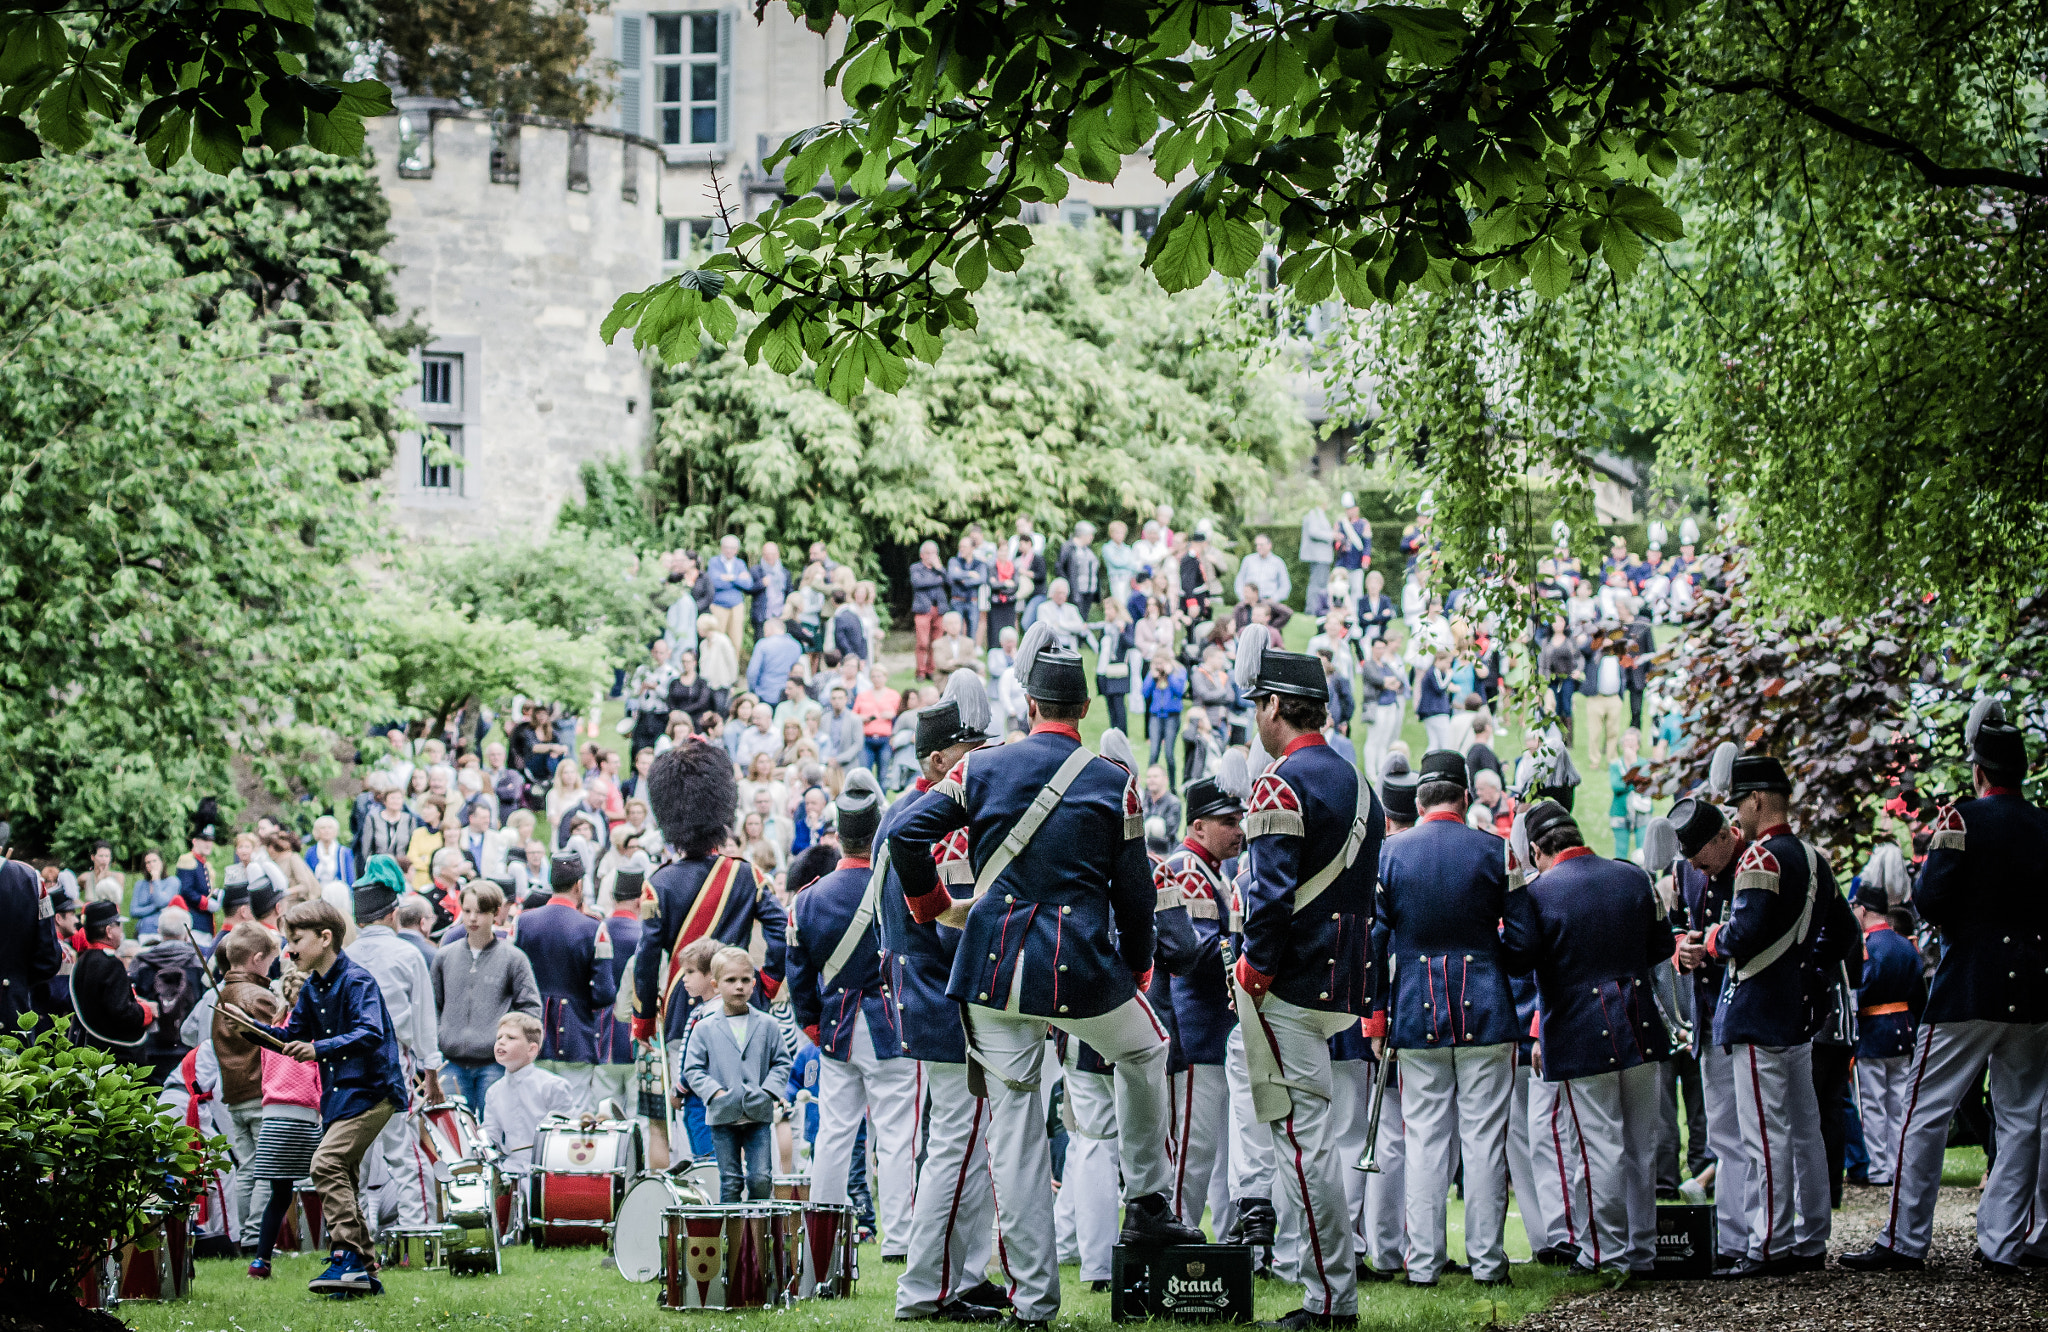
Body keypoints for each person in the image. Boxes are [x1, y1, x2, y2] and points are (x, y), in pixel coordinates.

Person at [888, 623, 1203, 1328]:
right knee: (1146, 1050)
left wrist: (934, 905)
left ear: (1028, 703)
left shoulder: (981, 767)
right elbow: (1135, 894)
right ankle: (1149, 1201)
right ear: (1085, 708)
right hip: (1083, 965)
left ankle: (1033, 1304)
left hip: (994, 968)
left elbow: (911, 833)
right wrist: (1141, 963)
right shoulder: (1112, 781)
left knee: (1016, 1139)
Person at [1845, 702, 2048, 1274]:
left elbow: (1930, 898)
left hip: (1968, 985)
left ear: (1980, 773)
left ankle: (1904, 1239)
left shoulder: (1962, 820)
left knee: (1921, 1111)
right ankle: (2003, 1243)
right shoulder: (2044, 825)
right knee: (2021, 1117)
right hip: (2033, 989)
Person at [1224, 626, 1383, 1327]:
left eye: (1260, 702)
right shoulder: (1358, 783)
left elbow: (1270, 896)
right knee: (1314, 1141)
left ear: (1280, 705)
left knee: (1302, 1144)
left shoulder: (1280, 784)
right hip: (1341, 978)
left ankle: (1328, 1299)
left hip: (1287, 982)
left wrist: (1253, 972)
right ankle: (1326, 1286)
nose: (1255, 715)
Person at [1679, 752, 1852, 1277]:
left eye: (1739, 802)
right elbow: (1843, 934)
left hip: (1756, 1010)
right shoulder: (1814, 857)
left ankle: (1770, 1244)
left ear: (1756, 800)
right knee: (1804, 1130)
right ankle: (1810, 1235)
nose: (1737, 812)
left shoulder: (1760, 859)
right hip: (1795, 1011)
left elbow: (1742, 935)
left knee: (1763, 1135)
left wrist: (1708, 941)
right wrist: (1809, 976)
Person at [875, 674, 1009, 1320]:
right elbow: (954, 921)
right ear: (938, 760)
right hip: (946, 994)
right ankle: (926, 1286)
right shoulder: (941, 824)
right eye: (970, 746)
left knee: (962, 1143)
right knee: (956, 1148)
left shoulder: (905, 812)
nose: (983, 754)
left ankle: (960, 1275)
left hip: (926, 992)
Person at [1377, 748, 1535, 1289]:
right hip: (1487, 1006)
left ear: (1419, 800)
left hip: (1415, 1009)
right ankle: (1489, 1264)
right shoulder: (1499, 851)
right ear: (1466, 798)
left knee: (1423, 1139)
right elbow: (1523, 940)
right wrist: (1496, 960)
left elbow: (1376, 943)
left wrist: (1377, 1017)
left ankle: (1422, 1264)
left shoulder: (1390, 855)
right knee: (1486, 1140)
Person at [1506, 801, 1670, 1275]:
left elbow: (1519, 960)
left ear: (1538, 849)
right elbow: (1662, 946)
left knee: (1598, 1145)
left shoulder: (1539, 894)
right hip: (1639, 1022)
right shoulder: (1632, 876)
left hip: (1580, 1030)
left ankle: (1607, 1251)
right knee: (1642, 1143)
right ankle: (1642, 1249)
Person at [229, 898, 410, 1297]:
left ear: (325, 938)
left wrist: (320, 1049)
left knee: (325, 1163)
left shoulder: (357, 981)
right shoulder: (312, 988)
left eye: (296, 940)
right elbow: (292, 1036)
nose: (289, 951)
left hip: (373, 1091)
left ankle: (345, 1254)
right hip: (339, 1096)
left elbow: (371, 1033)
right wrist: (253, 1030)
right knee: (342, 1174)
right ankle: (363, 1270)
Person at [786, 770, 919, 1257]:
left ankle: (822, 1240)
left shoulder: (807, 898)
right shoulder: (895, 887)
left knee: (835, 1134)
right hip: (891, 1020)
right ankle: (898, 1240)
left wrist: (815, 1025)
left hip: (836, 1025)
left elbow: (798, 974)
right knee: (897, 1136)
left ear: (839, 834)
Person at [631, 741, 789, 1086]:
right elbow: (782, 932)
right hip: (740, 1001)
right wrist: (765, 985)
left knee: (694, 1118)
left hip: (680, 1008)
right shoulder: (746, 875)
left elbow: (646, 959)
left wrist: (643, 1018)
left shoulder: (660, 884)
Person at [343, 855, 444, 1233]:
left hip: (350, 1066)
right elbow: (422, 1024)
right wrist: (431, 1074)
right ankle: (416, 1231)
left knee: (358, 1159)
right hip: (391, 1063)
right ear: (392, 913)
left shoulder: (346, 959)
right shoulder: (407, 955)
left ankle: (362, 1235)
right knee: (404, 1155)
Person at [1161, 773, 1243, 1230]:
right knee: (1193, 1147)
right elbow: (1202, 952)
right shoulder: (1188, 870)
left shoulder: (1213, 869)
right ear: (1197, 826)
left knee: (1217, 1146)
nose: (1239, 829)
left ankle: (1228, 1237)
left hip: (1214, 1026)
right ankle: (1178, 1233)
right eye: (1227, 821)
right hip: (1196, 1027)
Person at [682, 947, 792, 1202]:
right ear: (716, 985)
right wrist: (715, 1092)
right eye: (730, 980)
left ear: (754, 984)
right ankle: (732, 1240)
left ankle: (757, 1239)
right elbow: (693, 1068)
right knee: (730, 1182)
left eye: (745, 980)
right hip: (722, 1116)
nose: (738, 986)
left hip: (758, 1114)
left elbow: (782, 1062)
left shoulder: (768, 1024)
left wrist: (768, 1091)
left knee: (761, 1179)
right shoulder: (705, 1027)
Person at [516, 852, 619, 1109]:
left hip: (529, 1031)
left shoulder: (522, 922)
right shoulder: (593, 927)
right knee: (574, 1114)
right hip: (576, 1034)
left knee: (532, 1112)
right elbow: (605, 992)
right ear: (579, 885)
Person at [433, 880, 542, 1110]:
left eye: (481, 912)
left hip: (495, 1064)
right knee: (456, 1135)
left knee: (492, 1134)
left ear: (495, 913)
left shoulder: (514, 959)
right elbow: (433, 1006)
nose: (473, 918)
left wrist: (512, 1044)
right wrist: (436, 1041)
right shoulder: (444, 957)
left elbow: (530, 1008)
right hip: (450, 1062)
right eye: (468, 911)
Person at [245, 975, 323, 1281]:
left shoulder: (274, 1032)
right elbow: (318, 1075)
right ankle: (350, 1249)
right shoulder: (313, 1035)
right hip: (304, 1117)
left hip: (273, 1117)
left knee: (278, 1194)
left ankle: (260, 1260)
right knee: (331, 1184)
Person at [1848, 879, 1924, 1189]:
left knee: (1873, 1105)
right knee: (1898, 1105)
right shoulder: (1905, 944)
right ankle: (1898, 1166)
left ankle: (1878, 1168)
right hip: (1902, 1032)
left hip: (1872, 1034)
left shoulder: (1865, 947)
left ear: (1863, 910)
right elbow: (1917, 987)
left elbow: (1860, 992)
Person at [481, 1011, 577, 1170]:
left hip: (548, 1170)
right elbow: (492, 1135)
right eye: (499, 1038)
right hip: (509, 1170)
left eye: (511, 1038)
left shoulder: (553, 1085)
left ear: (532, 1049)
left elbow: (566, 1135)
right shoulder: (493, 1091)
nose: (501, 1042)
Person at [1143, 651, 1187, 787]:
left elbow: (1180, 691)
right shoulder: (1152, 674)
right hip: (1155, 716)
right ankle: (1149, 786)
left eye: (1161, 664)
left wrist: (1169, 675)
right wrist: (1152, 677)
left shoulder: (1179, 671)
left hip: (1172, 717)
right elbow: (1144, 692)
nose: (1159, 667)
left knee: (1169, 753)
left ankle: (1173, 787)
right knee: (1154, 752)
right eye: (1156, 664)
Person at [909, 540, 950, 680]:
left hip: (939, 610)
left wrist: (940, 569)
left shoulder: (939, 569)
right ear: (922, 555)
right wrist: (938, 580)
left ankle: (931, 670)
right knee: (923, 643)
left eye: (934, 553)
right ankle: (920, 671)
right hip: (923, 610)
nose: (931, 556)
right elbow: (918, 583)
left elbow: (950, 582)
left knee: (936, 642)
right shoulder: (915, 568)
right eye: (928, 553)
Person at [706, 534, 755, 647]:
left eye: (732, 548)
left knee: (736, 641)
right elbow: (714, 582)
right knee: (717, 639)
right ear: (722, 548)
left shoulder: (740, 563)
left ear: (736, 550)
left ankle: (733, 665)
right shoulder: (714, 562)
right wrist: (737, 579)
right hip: (719, 605)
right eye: (726, 547)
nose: (729, 550)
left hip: (737, 606)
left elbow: (748, 584)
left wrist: (730, 577)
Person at [1609, 729, 1651, 861]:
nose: (1629, 744)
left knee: (1642, 853)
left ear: (1638, 745)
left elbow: (1644, 784)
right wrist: (1633, 780)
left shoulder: (1644, 763)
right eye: (1626, 741)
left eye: (1632, 741)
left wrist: (1633, 764)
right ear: (1622, 745)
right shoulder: (1615, 765)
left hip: (1642, 811)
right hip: (1619, 812)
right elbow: (1616, 786)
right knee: (1620, 854)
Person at [745, 617, 803, 706]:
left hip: (765, 693)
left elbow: (752, 671)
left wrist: (752, 690)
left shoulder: (763, 644)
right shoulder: (796, 646)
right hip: (788, 694)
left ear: (769, 629)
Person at [1055, 521, 1102, 622]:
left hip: (1088, 590)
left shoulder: (1087, 550)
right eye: (1090, 535)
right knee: (1075, 618)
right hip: (1075, 590)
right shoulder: (1068, 547)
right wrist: (1066, 587)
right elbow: (1060, 568)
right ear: (1083, 535)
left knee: (1083, 619)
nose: (1091, 538)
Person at [1235, 532, 1291, 605]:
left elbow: (1285, 585)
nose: (1258, 547)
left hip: (1269, 602)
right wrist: (1243, 597)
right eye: (1257, 545)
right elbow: (1239, 580)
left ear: (1269, 545)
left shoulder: (1278, 562)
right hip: (1249, 601)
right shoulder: (1248, 560)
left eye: (1261, 545)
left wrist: (1274, 599)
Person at [1300, 503, 1334, 612]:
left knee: (1322, 585)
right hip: (1318, 557)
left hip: (1323, 557)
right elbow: (1313, 532)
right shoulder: (1314, 513)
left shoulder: (1320, 514)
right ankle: (1312, 610)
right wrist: (1332, 535)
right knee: (1316, 585)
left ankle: (1319, 609)